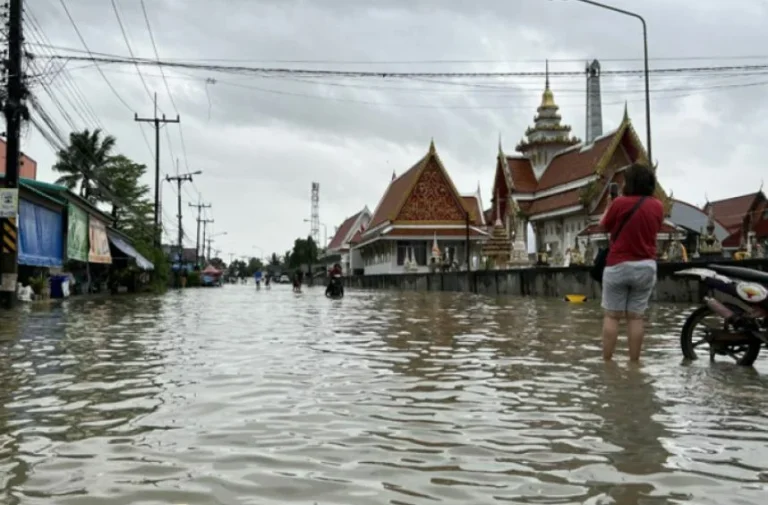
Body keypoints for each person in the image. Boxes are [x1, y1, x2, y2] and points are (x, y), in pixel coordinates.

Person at [600, 163, 664, 362]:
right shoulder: (658, 206)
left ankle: (607, 362)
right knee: (636, 317)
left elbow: (603, 226)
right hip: (645, 267)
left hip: (618, 265)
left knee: (612, 316)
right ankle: (634, 363)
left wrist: (609, 207)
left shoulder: (619, 203)